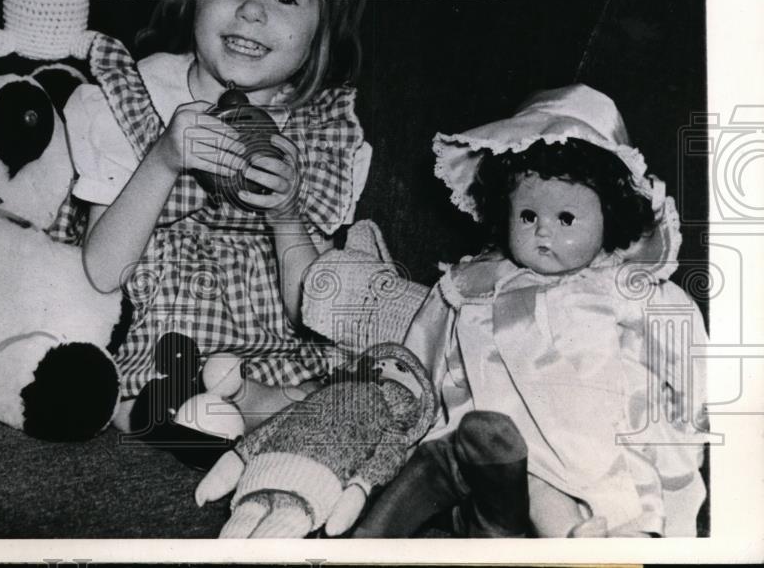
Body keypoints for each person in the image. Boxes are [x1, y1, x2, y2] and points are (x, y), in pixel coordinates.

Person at [303, 85, 709, 537]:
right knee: (527, 479)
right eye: (528, 215)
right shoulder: (471, 285)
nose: (543, 233)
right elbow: (419, 358)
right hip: (496, 448)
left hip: (597, 440)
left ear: (609, 216)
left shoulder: (625, 288)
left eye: (567, 219)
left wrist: (691, 421)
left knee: (616, 486)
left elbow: (685, 356)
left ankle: (607, 535)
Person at [63, 0, 372, 448]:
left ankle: (240, 404)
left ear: (322, 32)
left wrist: (285, 214)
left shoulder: (317, 130)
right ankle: (177, 410)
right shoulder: (133, 94)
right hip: (155, 338)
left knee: (351, 383)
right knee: (138, 386)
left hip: (267, 347)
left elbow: (311, 306)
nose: (252, 10)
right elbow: (102, 272)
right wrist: (161, 161)